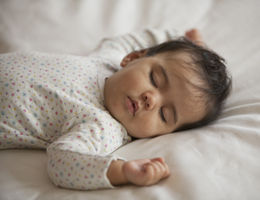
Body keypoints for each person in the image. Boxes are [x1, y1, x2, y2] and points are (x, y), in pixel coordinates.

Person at [0, 29, 231, 190]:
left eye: (164, 114)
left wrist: (121, 172)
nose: (151, 100)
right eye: (155, 78)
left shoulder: (103, 127)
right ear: (133, 58)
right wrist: (194, 47)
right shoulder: (108, 60)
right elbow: (139, 38)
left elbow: (63, 162)